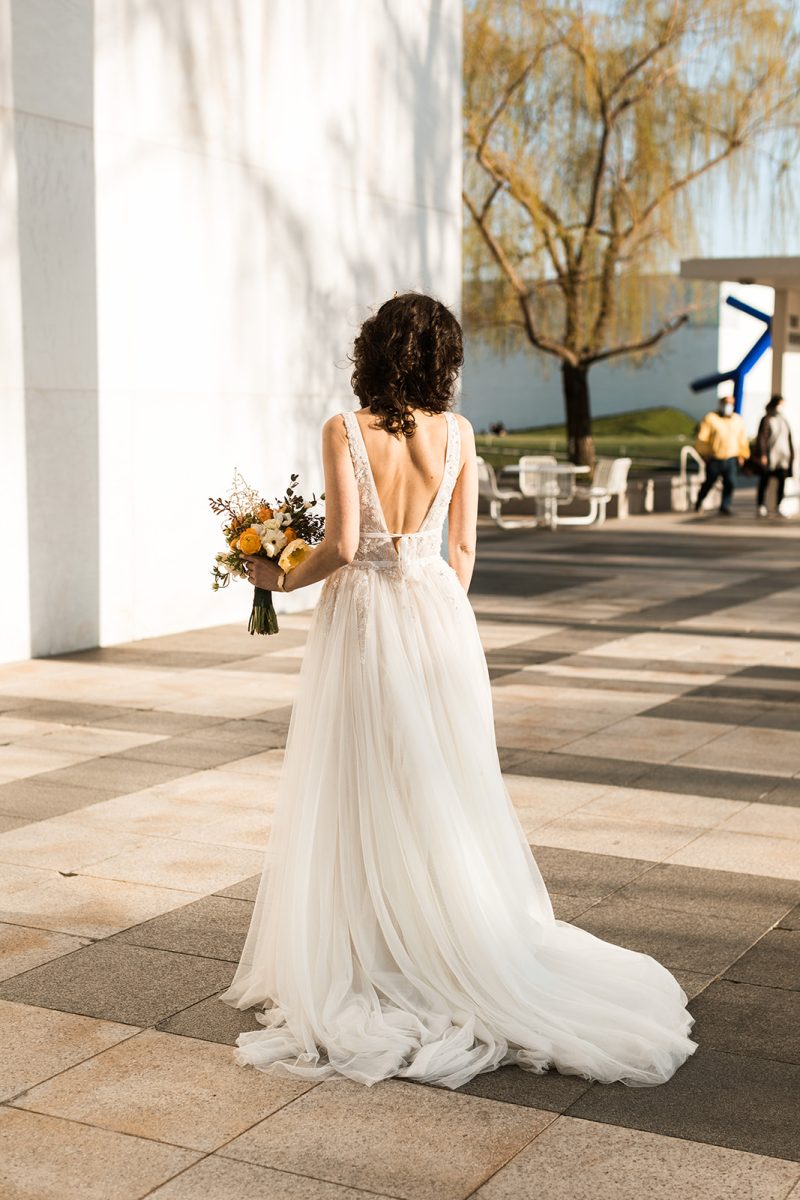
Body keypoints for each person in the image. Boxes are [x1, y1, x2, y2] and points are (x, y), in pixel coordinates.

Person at [219, 292, 697, 1089]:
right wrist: (435, 607)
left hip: (364, 615)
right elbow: (464, 549)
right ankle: (444, 930)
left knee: (363, 774)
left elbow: (343, 545)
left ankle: (375, 943)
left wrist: (279, 578)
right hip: (438, 613)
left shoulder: (345, 429)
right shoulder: (462, 433)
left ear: (375, 351)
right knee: (440, 779)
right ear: (443, 361)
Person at [693, 391, 751, 515]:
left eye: (730, 404)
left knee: (730, 482)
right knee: (709, 482)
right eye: (726, 403)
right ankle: (700, 501)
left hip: (731, 458)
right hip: (715, 457)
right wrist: (704, 454)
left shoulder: (737, 420)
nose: (728, 406)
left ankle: (725, 506)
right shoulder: (711, 418)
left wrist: (742, 454)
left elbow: (742, 439)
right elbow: (702, 438)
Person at [755, 394, 794, 517]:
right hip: (770, 457)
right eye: (779, 404)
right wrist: (763, 454)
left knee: (781, 483)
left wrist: (791, 456)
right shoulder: (766, 419)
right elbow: (762, 438)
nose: (781, 407)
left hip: (783, 458)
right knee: (764, 481)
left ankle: (778, 506)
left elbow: (789, 439)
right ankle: (761, 505)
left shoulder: (783, 420)